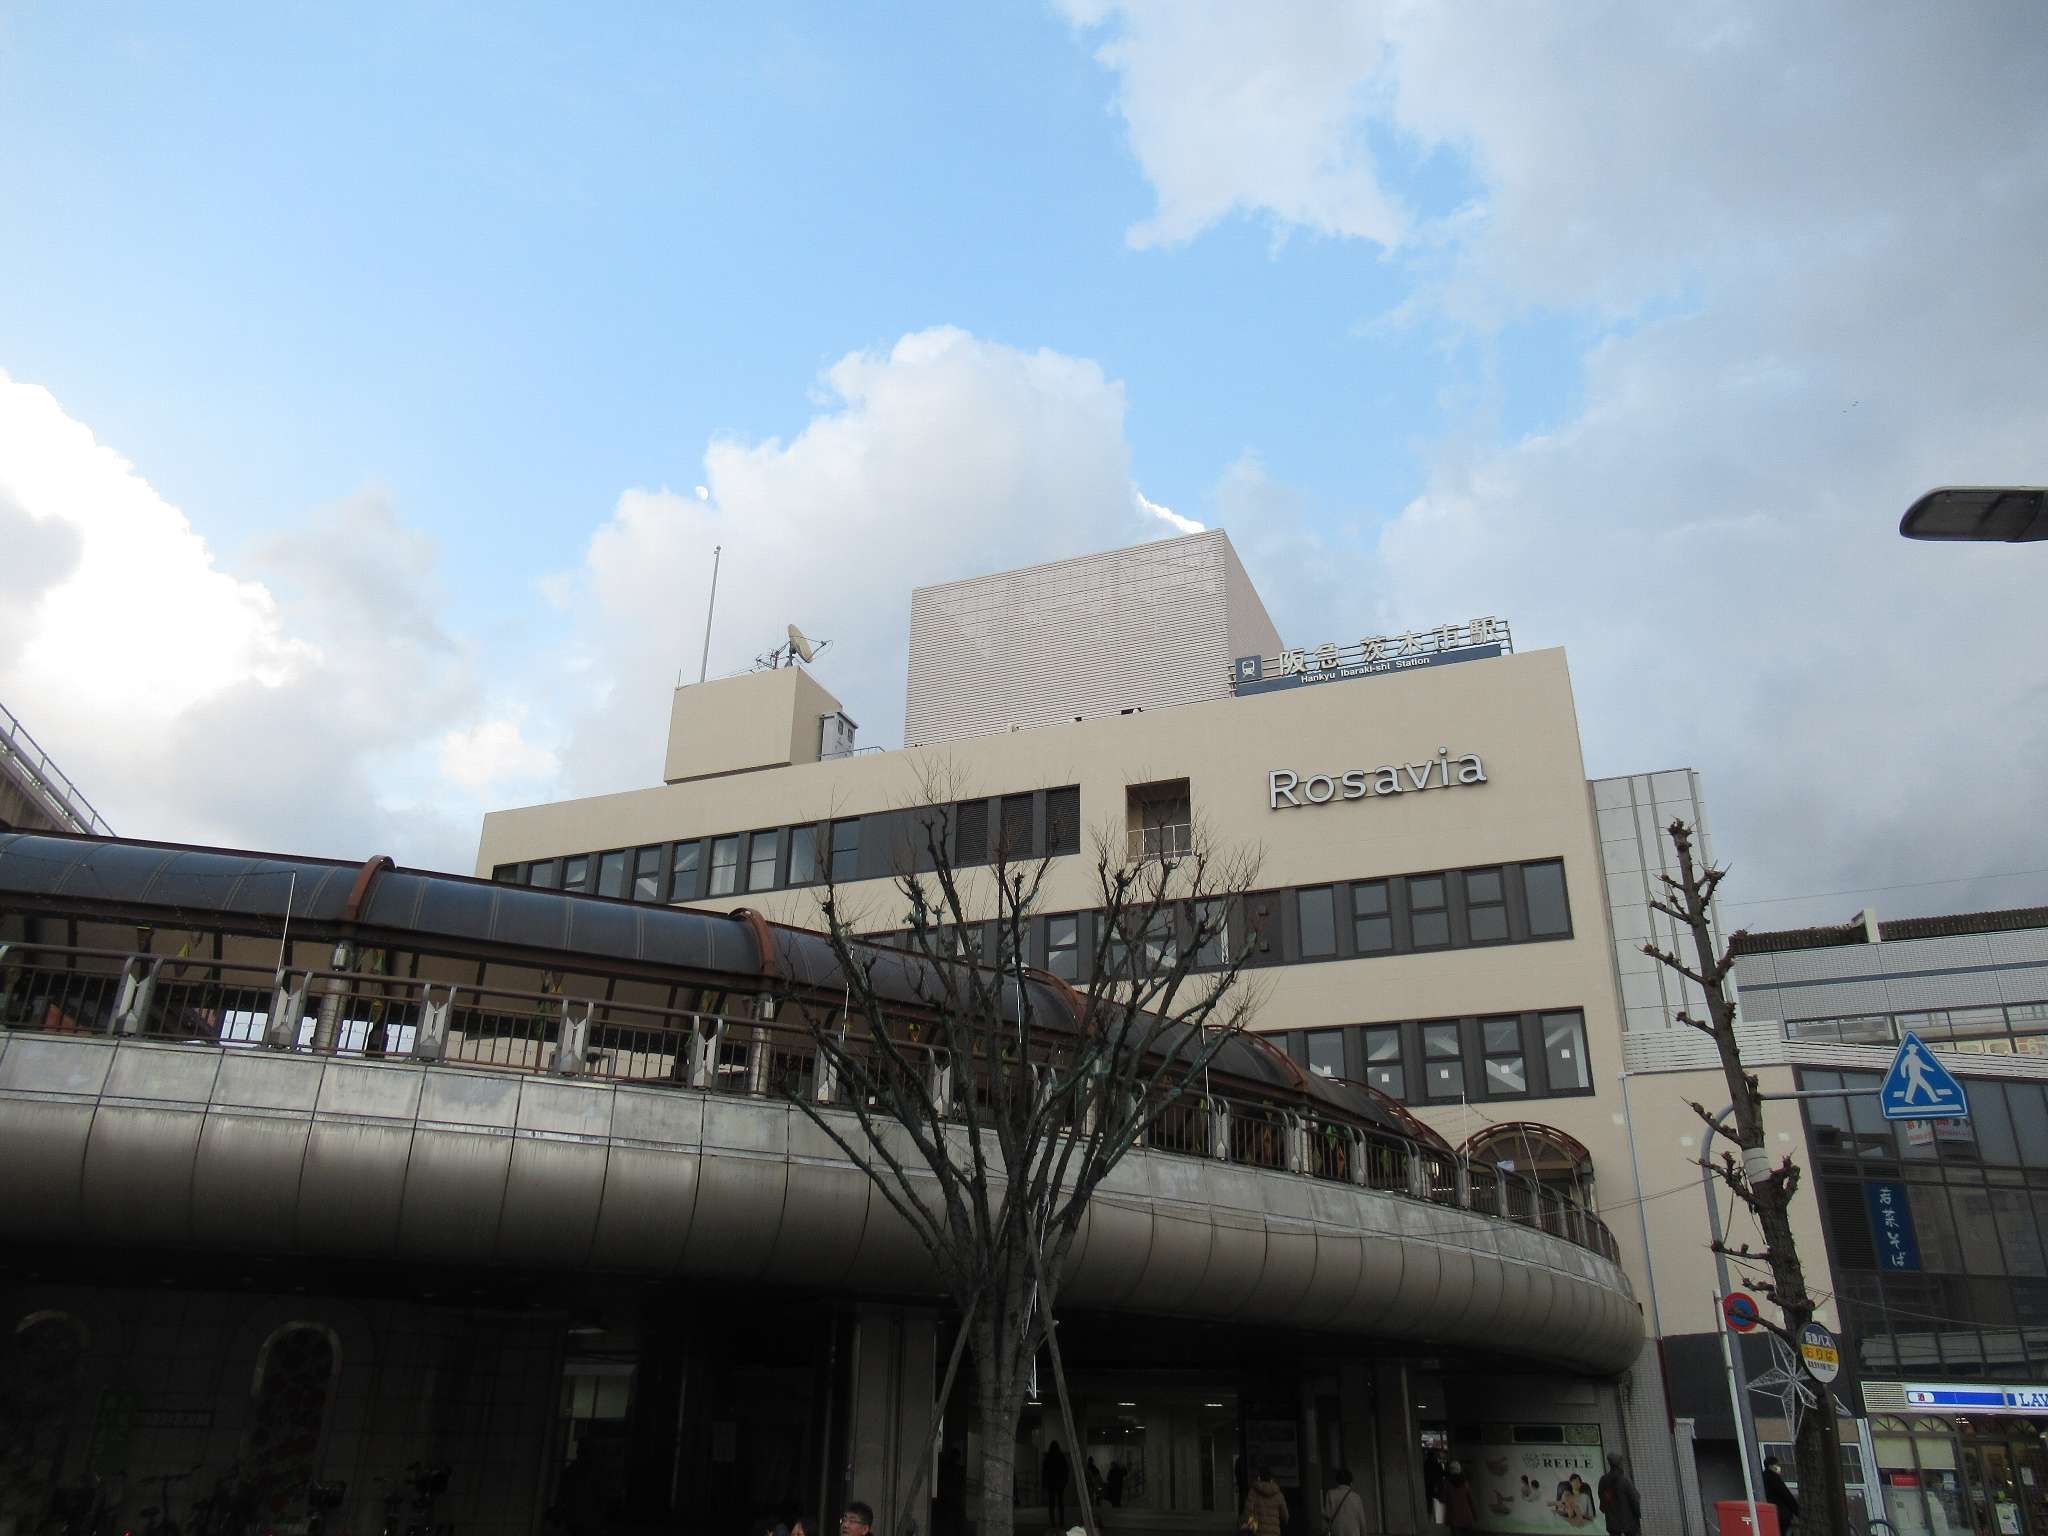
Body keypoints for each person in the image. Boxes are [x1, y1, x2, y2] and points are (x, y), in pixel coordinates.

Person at [1597, 1454, 1642, 1536]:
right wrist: (1638, 1513)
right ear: (1619, 1464)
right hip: (1629, 1521)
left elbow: (1601, 1496)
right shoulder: (1625, 1480)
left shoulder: (1603, 1480)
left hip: (1612, 1521)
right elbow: (1634, 1498)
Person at [1244, 1465, 1289, 1536]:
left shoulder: (1253, 1492)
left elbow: (1248, 1513)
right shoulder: (1278, 1494)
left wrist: (1252, 1526)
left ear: (1259, 1477)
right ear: (1271, 1478)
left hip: (1258, 1533)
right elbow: (1285, 1517)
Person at [1323, 1466, 1368, 1536]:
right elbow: (1362, 1521)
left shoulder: (1330, 1494)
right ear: (1351, 1482)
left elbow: (1328, 1515)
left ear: (1337, 1481)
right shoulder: (1356, 1497)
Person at [1764, 1456, 1800, 1536]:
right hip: (1782, 1514)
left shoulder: (1762, 1477)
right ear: (1770, 1466)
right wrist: (1797, 1511)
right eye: (1776, 1465)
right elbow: (1785, 1495)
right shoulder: (1774, 1478)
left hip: (1771, 1514)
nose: (1778, 1467)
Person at [1044, 1441, 1071, 1529]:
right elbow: (1066, 1469)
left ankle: (1053, 1522)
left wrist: (1044, 1484)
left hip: (1051, 1483)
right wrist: (1065, 1481)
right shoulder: (1061, 1456)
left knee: (1052, 1504)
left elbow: (1044, 1471)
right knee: (1060, 1503)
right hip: (1059, 1483)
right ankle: (1061, 1521)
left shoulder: (1048, 1457)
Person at [1445, 1462, 1477, 1536]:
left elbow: (1445, 1501)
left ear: (1450, 1471)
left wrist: (1447, 1519)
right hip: (1467, 1517)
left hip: (1455, 1519)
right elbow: (1470, 1500)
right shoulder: (1465, 1483)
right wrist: (1474, 1514)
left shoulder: (1447, 1484)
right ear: (1459, 1470)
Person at [1424, 1449, 1449, 1526]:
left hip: (1428, 1486)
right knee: (1437, 1503)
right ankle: (1436, 1519)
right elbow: (1442, 1474)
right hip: (1436, 1486)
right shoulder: (1437, 1464)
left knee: (1429, 1502)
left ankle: (1430, 1517)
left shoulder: (1425, 1464)